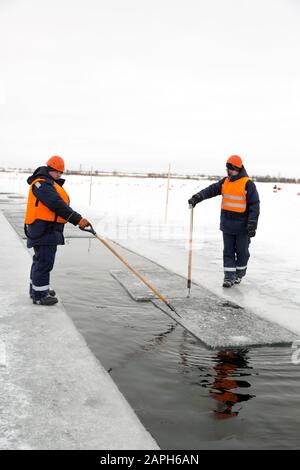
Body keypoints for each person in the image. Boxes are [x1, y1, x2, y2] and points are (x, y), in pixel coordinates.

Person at [24, 156, 91, 306]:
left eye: (61, 172)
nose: (60, 175)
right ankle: (40, 295)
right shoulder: (41, 184)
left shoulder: (48, 183)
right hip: (44, 229)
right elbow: (56, 204)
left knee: (40, 260)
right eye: (57, 172)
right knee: (44, 262)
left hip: (46, 229)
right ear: (49, 170)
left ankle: (37, 289)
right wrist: (77, 219)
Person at [188, 155, 260, 288]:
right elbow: (211, 190)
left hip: (242, 227)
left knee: (242, 252)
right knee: (228, 252)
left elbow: (254, 205)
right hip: (227, 225)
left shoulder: (247, 184)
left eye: (231, 169)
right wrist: (197, 197)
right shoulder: (225, 182)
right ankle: (229, 276)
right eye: (227, 169)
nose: (228, 172)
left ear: (237, 169)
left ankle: (239, 273)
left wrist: (252, 224)